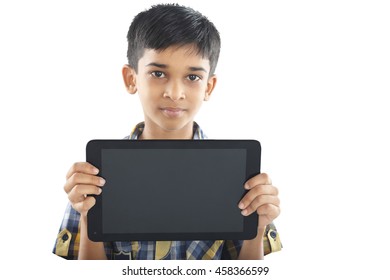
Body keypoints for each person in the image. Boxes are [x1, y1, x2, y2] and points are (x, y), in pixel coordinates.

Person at [53, 3, 281, 260]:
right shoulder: (96, 174)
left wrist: (258, 227)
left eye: (193, 77)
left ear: (209, 86)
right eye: (158, 73)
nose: (174, 93)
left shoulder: (235, 172)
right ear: (132, 79)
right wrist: (87, 217)